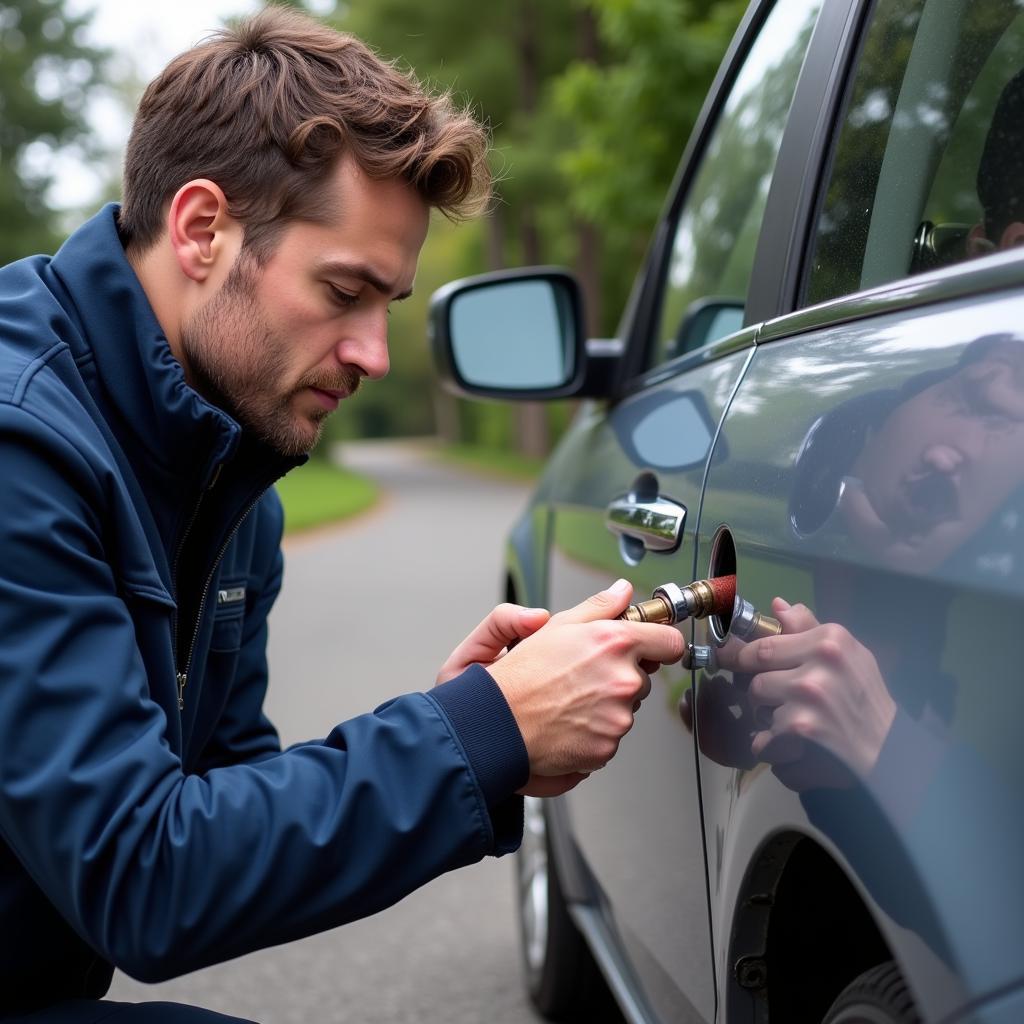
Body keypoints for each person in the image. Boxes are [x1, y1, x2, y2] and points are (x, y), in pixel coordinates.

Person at [0, 10, 683, 1022]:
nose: (372, 353)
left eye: (390, 305)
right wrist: (475, 734)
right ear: (201, 230)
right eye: (343, 290)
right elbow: (146, 880)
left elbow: (220, 821)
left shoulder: (231, 468)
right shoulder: (23, 446)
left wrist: (475, 722)